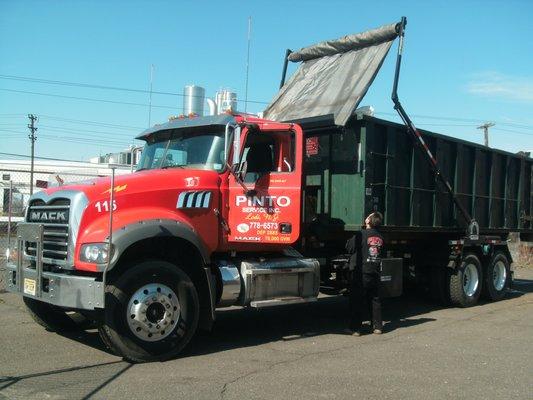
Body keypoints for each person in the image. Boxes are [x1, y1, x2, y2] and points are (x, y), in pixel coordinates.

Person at [346, 212, 384, 336]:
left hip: (361, 272)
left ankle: (356, 329)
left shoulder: (360, 234)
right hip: (375, 271)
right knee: (375, 299)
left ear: (368, 221)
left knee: (357, 300)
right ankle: (377, 327)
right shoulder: (380, 237)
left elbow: (350, 248)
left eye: (368, 216)